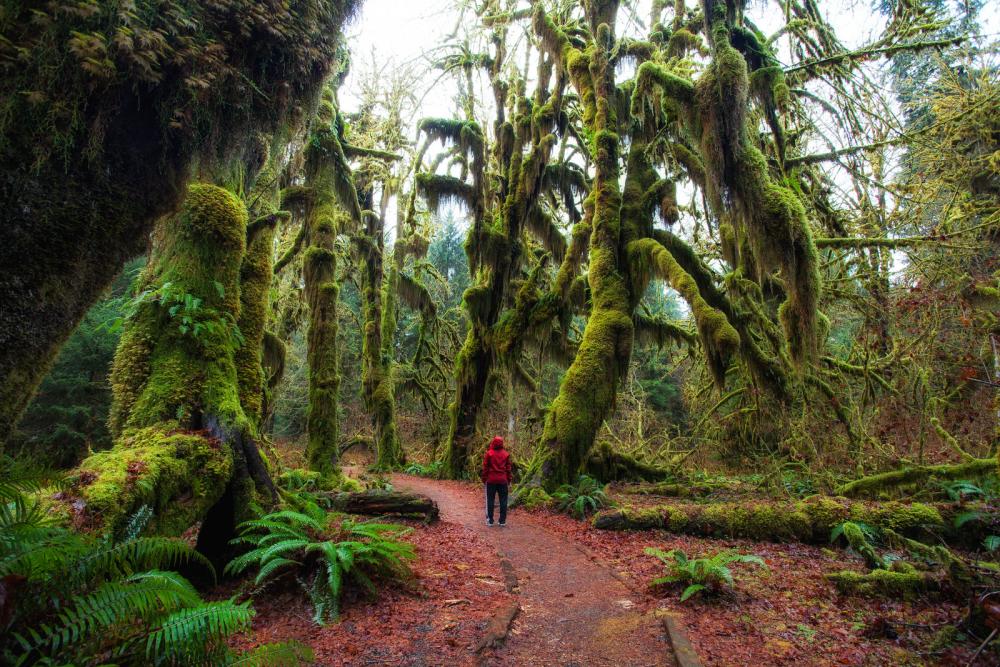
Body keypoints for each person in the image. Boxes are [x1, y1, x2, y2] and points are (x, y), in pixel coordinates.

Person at [481, 435, 512, 526]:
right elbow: (508, 469)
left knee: (490, 500)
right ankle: (502, 521)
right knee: (503, 501)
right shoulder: (506, 454)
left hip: (491, 480)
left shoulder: (489, 453)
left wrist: (484, 479)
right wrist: (509, 480)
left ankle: (490, 520)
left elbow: (485, 468)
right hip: (503, 481)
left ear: (493, 442)